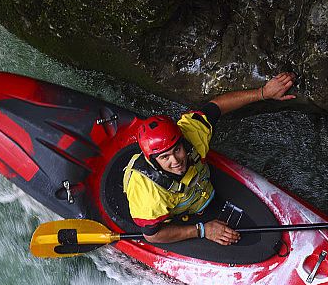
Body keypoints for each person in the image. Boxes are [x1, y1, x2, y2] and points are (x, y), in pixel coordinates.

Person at [123, 72, 297, 245]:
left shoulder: (191, 132)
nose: (175, 161)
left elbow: (217, 106)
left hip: (203, 193)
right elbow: (153, 235)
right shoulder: (147, 194)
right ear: (153, 161)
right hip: (179, 218)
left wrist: (263, 93)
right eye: (165, 157)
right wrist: (202, 230)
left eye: (177, 149)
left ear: (183, 141)